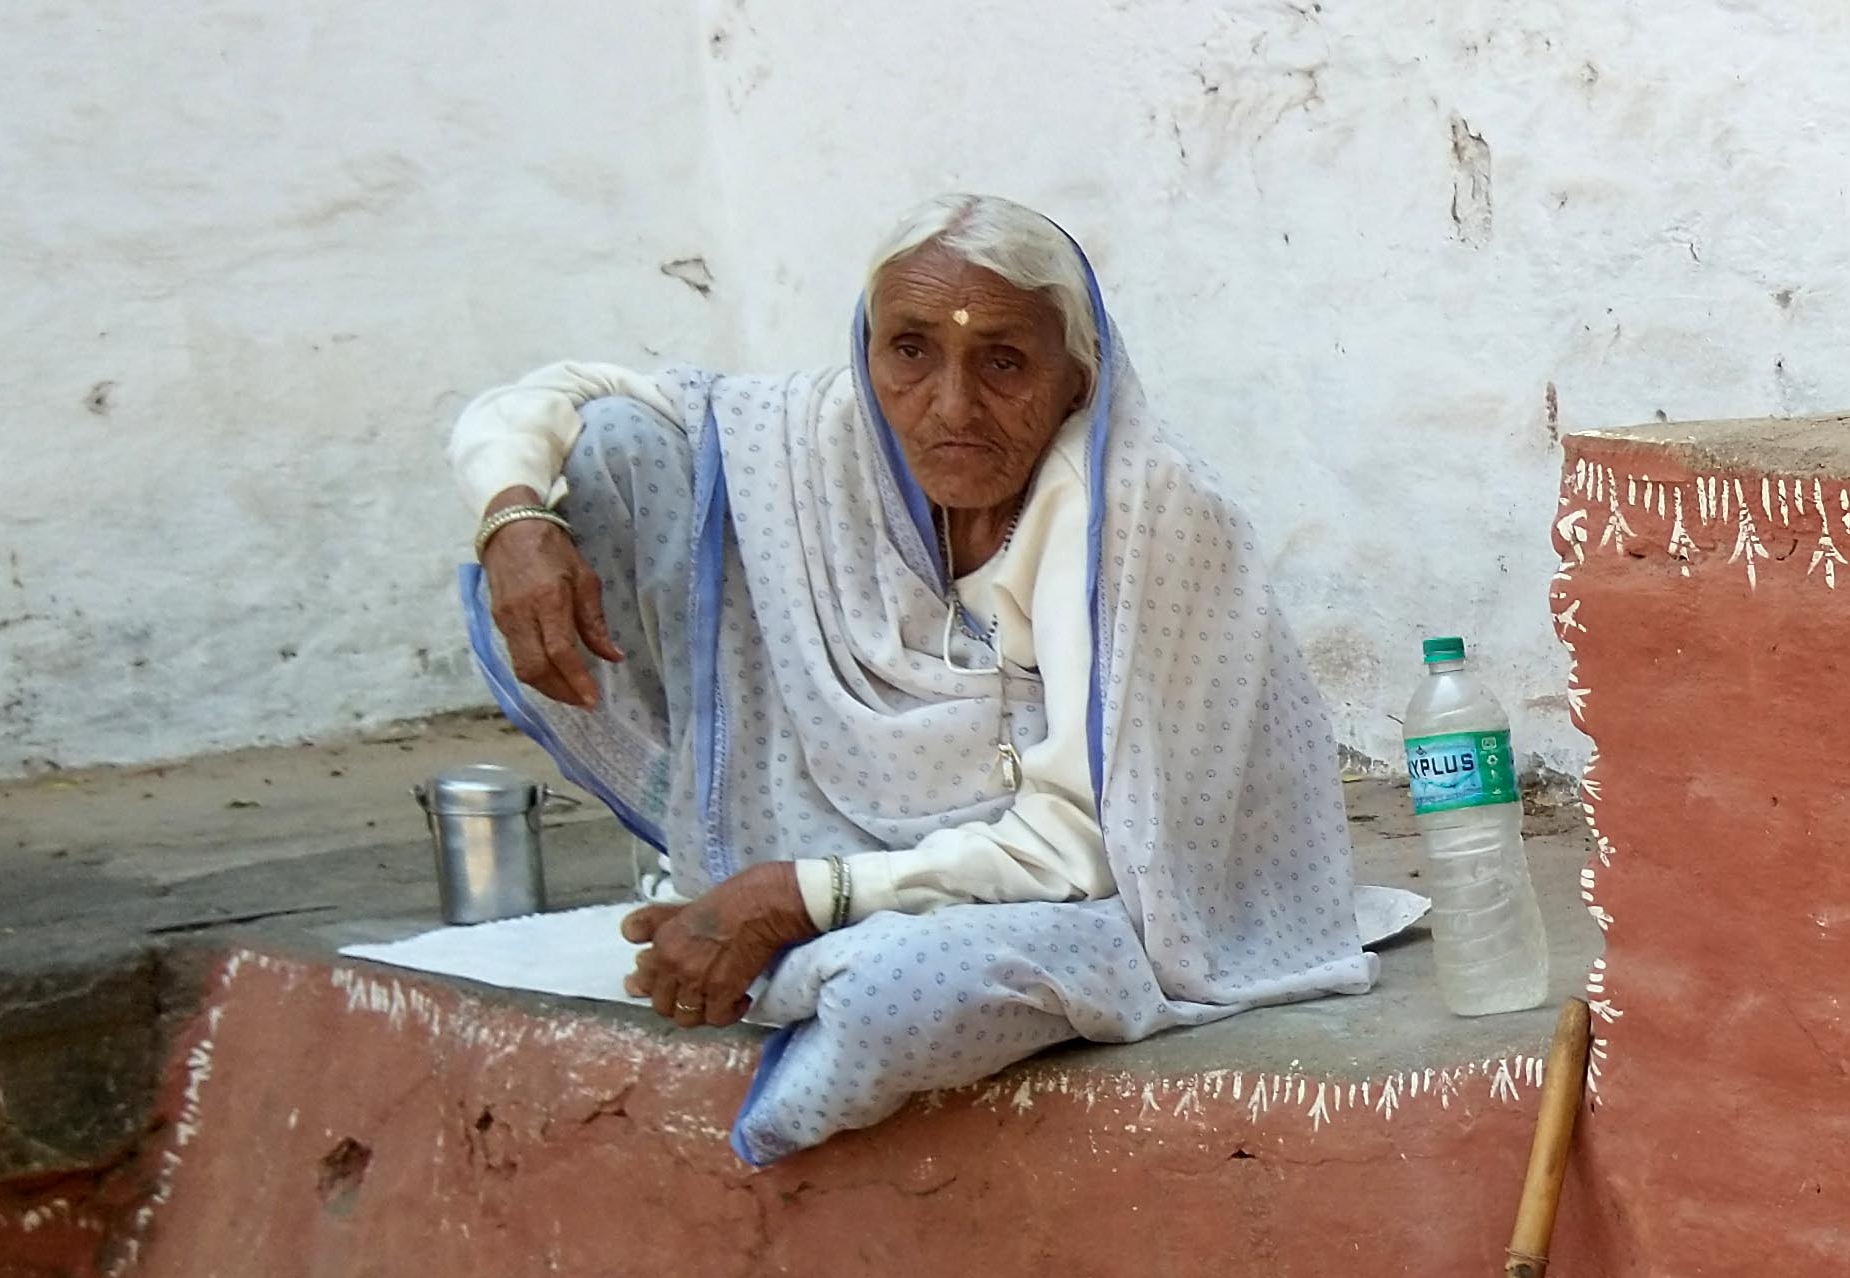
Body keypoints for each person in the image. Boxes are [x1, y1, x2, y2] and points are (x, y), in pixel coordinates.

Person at [448, 195, 1367, 1162]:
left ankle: (793, 954)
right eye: (911, 351)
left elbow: (1087, 848)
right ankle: (737, 865)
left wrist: (794, 896)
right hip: (866, 844)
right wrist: (514, 520)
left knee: (896, 995)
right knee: (611, 451)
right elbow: (559, 397)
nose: (951, 407)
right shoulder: (824, 433)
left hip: (1101, 888)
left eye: (1004, 361)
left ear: (1080, 377)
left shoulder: (1136, 512)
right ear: (869, 349)